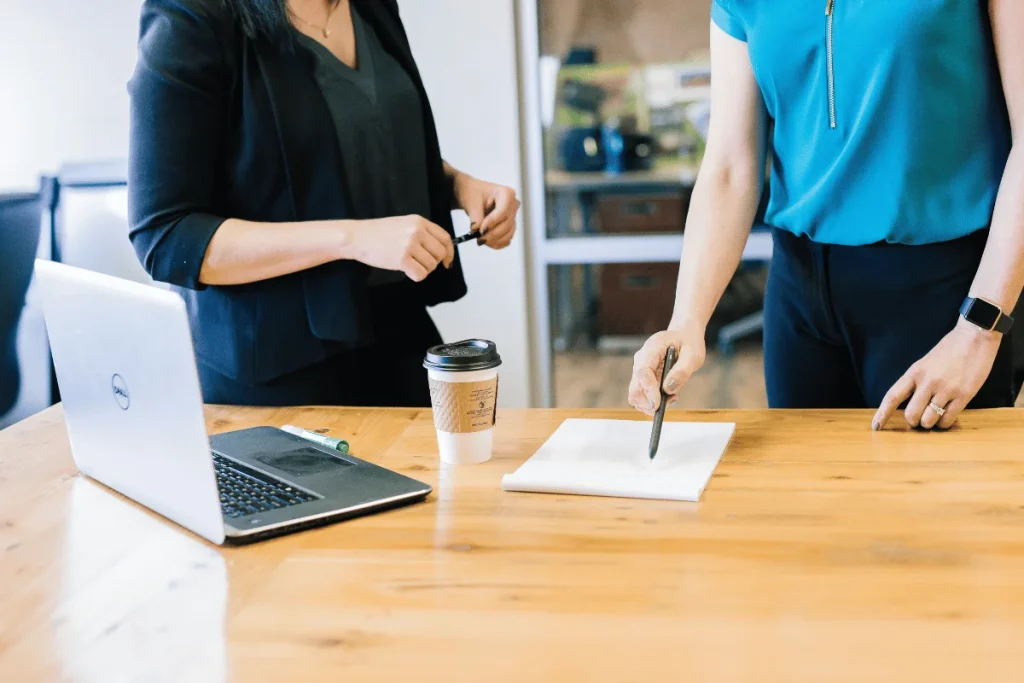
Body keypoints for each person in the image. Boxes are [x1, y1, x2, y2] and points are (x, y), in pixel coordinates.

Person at [629, 1, 1024, 430]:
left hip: (946, 292)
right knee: (808, 493)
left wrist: (979, 330)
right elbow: (729, 167)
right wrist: (686, 320)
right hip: (800, 297)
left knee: (939, 494)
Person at [128, 0, 519, 407]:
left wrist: (457, 186)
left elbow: (348, 142)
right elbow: (167, 235)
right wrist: (350, 238)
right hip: (276, 371)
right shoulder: (191, 17)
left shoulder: (371, 7)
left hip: (399, 336)